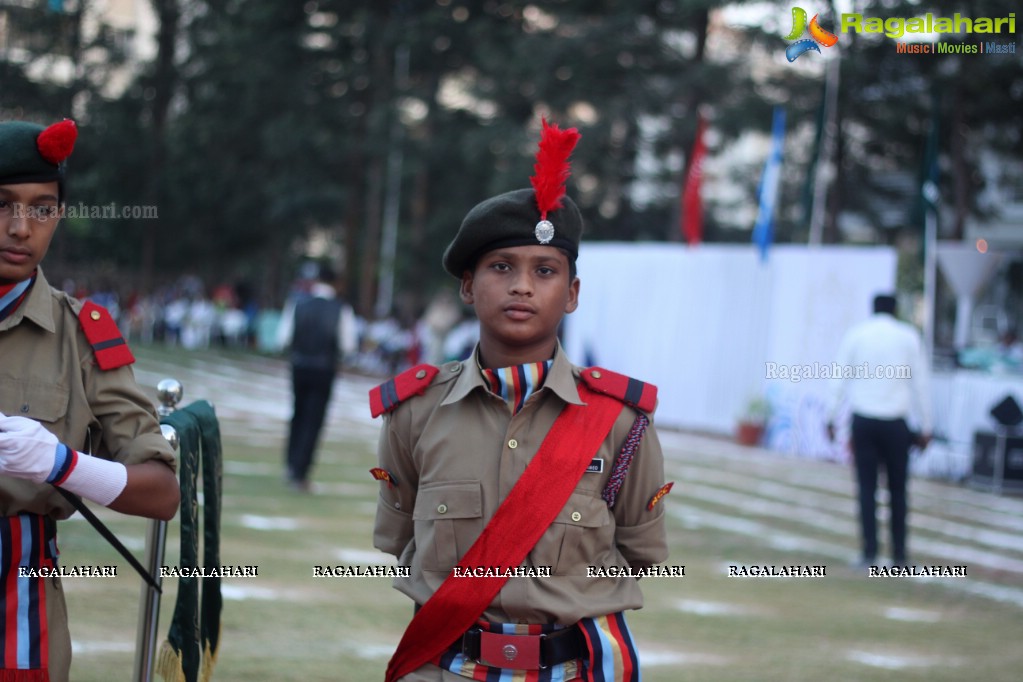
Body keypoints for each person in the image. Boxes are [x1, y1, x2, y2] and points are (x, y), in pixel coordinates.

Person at [370, 120, 670, 682]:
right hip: (446, 666)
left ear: (572, 293)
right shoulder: (413, 411)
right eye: (501, 267)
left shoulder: (620, 420)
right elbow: (401, 537)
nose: (522, 287)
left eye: (546, 270)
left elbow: (638, 549)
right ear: (467, 285)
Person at [0, 119, 179, 681]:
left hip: (17, 607)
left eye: (42, 208)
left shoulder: (82, 337)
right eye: (2, 203)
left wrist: (64, 464)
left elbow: (161, 493)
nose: (20, 227)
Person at [827, 293, 932, 567]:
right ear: (896, 310)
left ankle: (869, 553)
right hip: (896, 423)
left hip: (864, 421)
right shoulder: (908, 336)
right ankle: (899, 555)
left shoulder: (857, 335)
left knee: (866, 489)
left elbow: (839, 377)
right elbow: (920, 383)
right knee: (898, 491)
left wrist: (830, 416)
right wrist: (927, 426)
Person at [276, 263, 357, 491]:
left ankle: (290, 465)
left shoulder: (297, 303)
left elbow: (283, 338)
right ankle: (301, 472)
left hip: (299, 365)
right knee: (314, 420)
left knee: (297, 414)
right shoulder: (341, 308)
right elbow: (347, 345)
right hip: (324, 368)